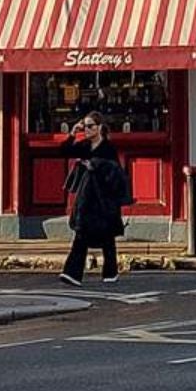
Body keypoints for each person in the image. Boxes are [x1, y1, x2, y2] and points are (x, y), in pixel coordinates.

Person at [58, 112, 129, 287]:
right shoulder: (84, 146)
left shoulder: (108, 148)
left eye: (91, 126)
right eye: (85, 126)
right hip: (87, 198)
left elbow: (115, 173)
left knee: (107, 237)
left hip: (104, 199)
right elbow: (64, 151)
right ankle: (72, 273)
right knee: (81, 234)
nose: (87, 130)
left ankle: (110, 272)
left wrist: (95, 165)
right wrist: (73, 132)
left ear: (100, 128)